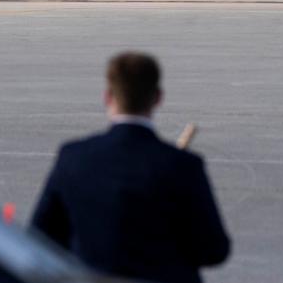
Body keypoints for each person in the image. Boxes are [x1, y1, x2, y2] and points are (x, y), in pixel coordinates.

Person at [32, 52, 230, 283]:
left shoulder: (73, 157)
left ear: (108, 97)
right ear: (157, 98)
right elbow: (214, 250)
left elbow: (40, 238)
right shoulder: (182, 166)